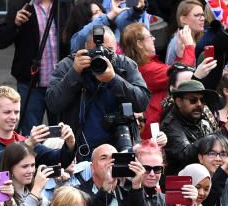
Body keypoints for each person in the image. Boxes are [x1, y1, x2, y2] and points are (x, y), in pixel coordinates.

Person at [45, 27, 151, 159]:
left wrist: (114, 79)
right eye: (96, 51)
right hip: (80, 150)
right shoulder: (68, 65)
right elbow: (53, 104)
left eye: (109, 51)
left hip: (120, 146)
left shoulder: (125, 65)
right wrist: (74, 73)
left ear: (116, 48)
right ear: (85, 47)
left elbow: (142, 102)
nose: (103, 56)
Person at [0, 0, 72, 133]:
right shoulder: (21, 6)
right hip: (31, 84)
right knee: (31, 134)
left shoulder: (63, 4)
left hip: (59, 83)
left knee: (60, 134)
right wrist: (15, 24)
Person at [0, 86, 77, 194]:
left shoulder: (26, 142)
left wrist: (70, 143)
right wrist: (28, 144)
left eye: (16, 112)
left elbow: (59, 160)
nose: (13, 117)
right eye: (7, 112)